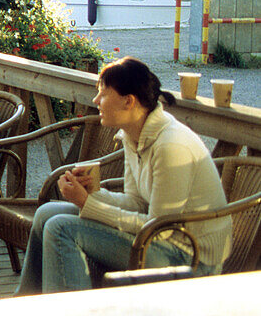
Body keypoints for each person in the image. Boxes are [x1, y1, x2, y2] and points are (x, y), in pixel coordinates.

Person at [17, 57, 231, 293]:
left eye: (103, 94)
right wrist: (93, 194)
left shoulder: (171, 146)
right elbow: (136, 202)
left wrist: (88, 204)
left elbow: (159, 229)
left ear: (128, 101)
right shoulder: (133, 135)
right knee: (46, 213)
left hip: (191, 259)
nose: (95, 100)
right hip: (160, 240)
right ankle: (26, 300)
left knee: (61, 228)